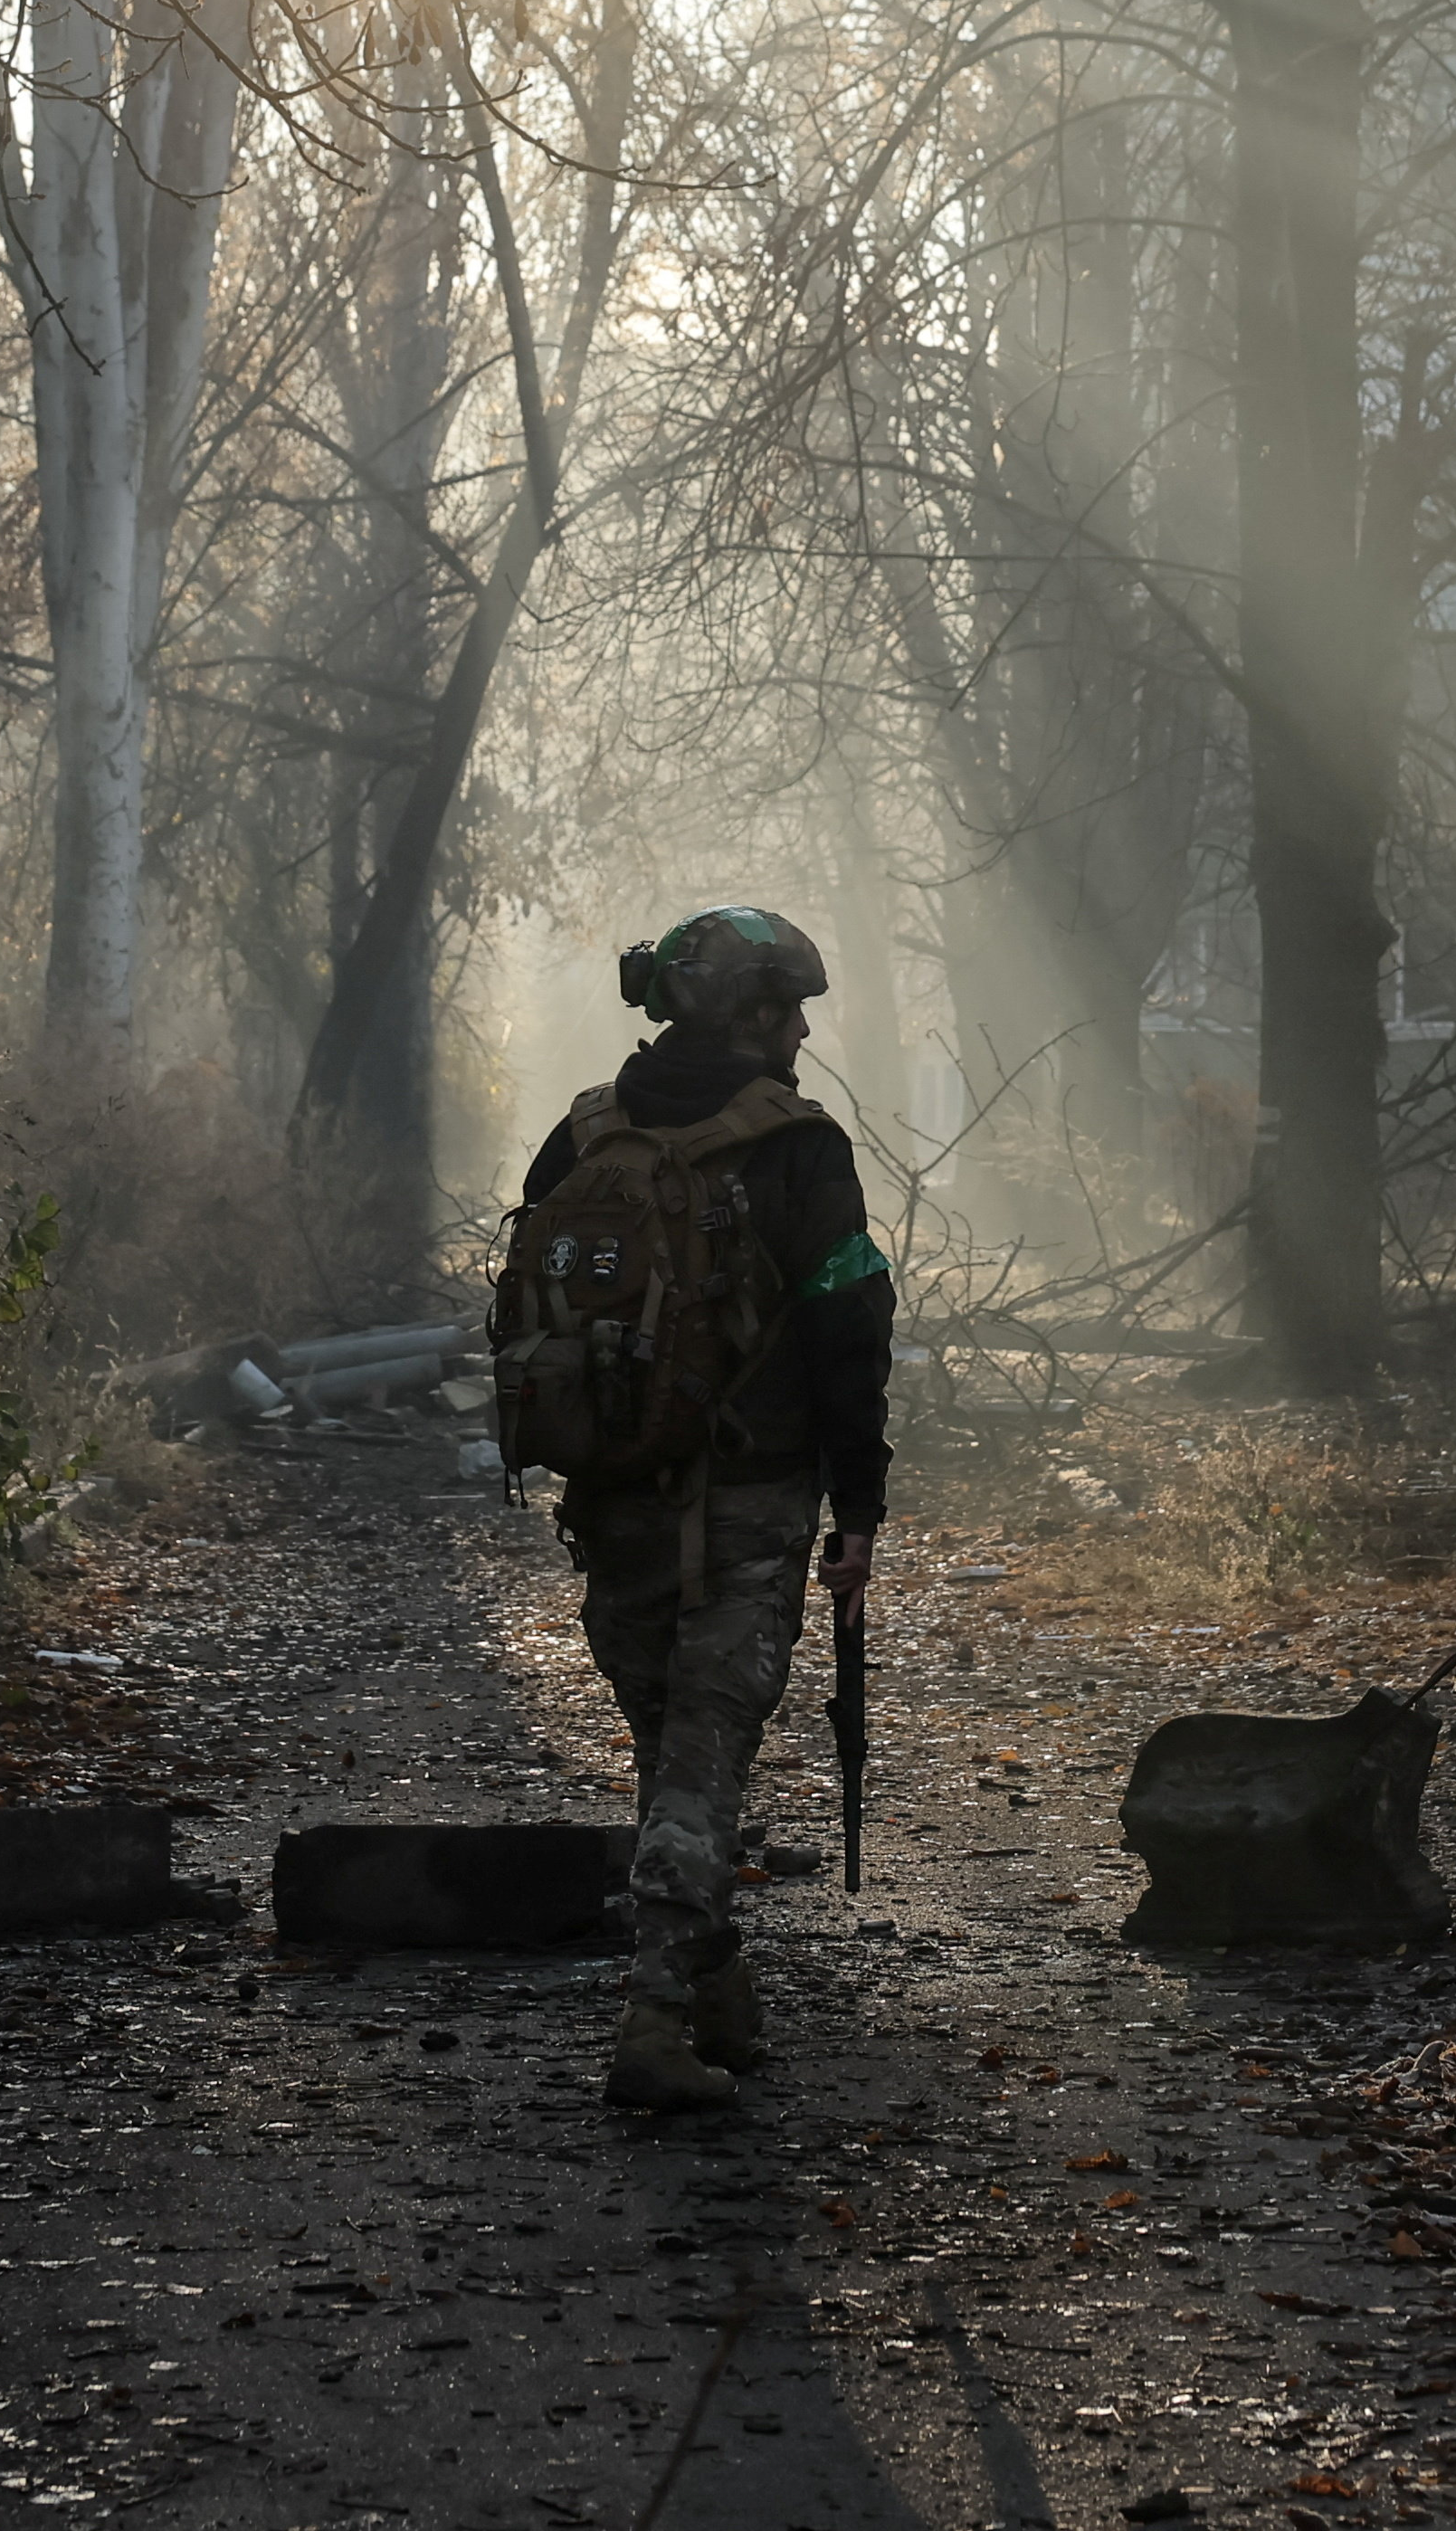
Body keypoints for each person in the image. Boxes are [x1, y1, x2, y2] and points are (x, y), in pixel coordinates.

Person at [513, 905, 892, 2112]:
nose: (803, 1034)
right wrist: (859, 1505)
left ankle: (714, 1979)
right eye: (790, 1012)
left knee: (677, 1755)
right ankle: (656, 2022)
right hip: (748, 1501)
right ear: (751, 1014)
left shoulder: (579, 1140)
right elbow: (850, 1328)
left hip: (611, 1503)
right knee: (702, 1761)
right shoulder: (797, 1150)